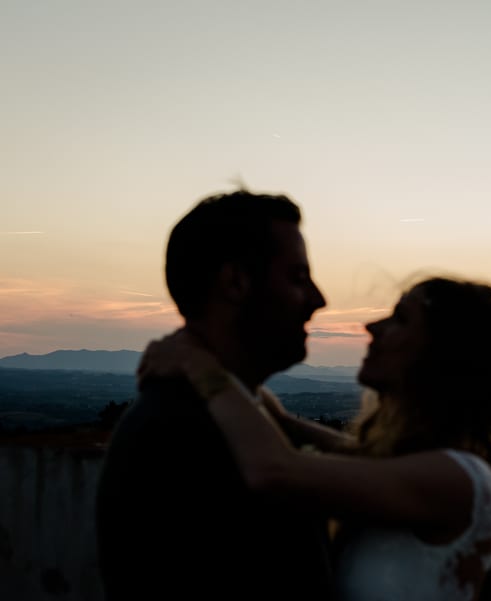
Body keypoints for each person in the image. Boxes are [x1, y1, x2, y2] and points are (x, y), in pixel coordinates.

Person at [138, 276, 491, 601]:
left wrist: (200, 366)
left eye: (400, 319)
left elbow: (274, 470)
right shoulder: (415, 471)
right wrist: (252, 390)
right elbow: (334, 447)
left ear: (440, 358)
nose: (373, 326)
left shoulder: (458, 478)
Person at [95, 190, 332, 600]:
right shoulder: (180, 436)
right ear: (236, 283)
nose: (318, 299)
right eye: (297, 277)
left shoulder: (220, 416)